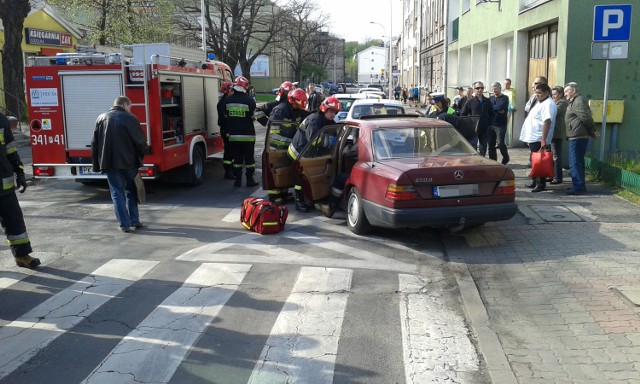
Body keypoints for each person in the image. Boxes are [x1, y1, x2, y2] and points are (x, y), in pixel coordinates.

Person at [92, 96, 147, 232]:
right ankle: (134, 220)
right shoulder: (130, 118)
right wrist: (141, 155)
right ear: (124, 105)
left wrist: (97, 164)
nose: (130, 109)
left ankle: (124, 224)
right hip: (129, 162)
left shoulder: (101, 118)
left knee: (116, 193)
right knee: (132, 190)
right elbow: (139, 141)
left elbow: (95, 144)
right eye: (130, 106)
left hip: (109, 163)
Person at [0, 112, 40, 268]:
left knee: (15, 221)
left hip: (4, 184)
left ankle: (22, 255)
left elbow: (10, 149)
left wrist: (20, 172)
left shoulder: (1, 120)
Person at [288, 96, 341, 212]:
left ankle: (309, 199)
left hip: (307, 151)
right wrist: (330, 142)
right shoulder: (314, 120)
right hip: (297, 152)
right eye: (331, 111)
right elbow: (313, 140)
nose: (333, 115)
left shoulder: (329, 121)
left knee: (308, 176)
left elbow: (335, 134)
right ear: (324, 109)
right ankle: (299, 202)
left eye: (335, 112)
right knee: (301, 179)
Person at [266, 88, 310, 204]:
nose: (298, 108)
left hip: (288, 146)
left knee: (286, 170)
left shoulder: (296, 110)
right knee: (275, 171)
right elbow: (273, 132)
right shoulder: (280, 110)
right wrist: (290, 141)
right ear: (292, 101)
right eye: (297, 105)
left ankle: (284, 193)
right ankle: (274, 196)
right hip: (276, 147)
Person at [519, 83, 557, 193]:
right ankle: (535, 181)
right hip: (534, 137)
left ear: (547, 93)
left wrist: (543, 140)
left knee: (540, 161)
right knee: (535, 161)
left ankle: (541, 184)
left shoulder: (548, 104)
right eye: (536, 92)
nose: (537, 95)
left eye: (539, 93)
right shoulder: (540, 102)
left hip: (539, 138)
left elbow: (547, 121)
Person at [564, 82, 599, 195]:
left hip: (578, 136)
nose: (565, 94)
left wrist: (593, 130)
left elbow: (585, 117)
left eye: (566, 91)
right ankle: (578, 185)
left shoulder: (578, 101)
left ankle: (578, 187)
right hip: (576, 135)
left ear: (573, 91)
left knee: (575, 162)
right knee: (577, 162)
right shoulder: (574, 101)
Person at [223, 76, 258, 187]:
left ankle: (237, 180)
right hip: (248, 136)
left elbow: (226, 116)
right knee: (249, 160)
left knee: (237, 159)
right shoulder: (250, 101)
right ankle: (249, 180)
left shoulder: (227, 100)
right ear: (245, 87)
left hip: (233, 136)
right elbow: (253, 116)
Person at [461, 81, 494, 155]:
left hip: (484, 128)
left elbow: (492, 114)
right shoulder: (470, 101)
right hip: (473, 130)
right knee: (473, 148)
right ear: (474, 89)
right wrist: (468, 124)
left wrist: (490, 124)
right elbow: (463, 114)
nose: (480, 89)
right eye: (478, 88)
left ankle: (481, 163)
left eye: (482, 88)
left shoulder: (487, 101)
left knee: (483, 148)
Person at [489, 82, 510, 164]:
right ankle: (493, 162)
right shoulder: (490, 98)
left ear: (500, 88)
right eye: (493, 89)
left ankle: (506, 157)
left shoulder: (505, 98)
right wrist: (497, 110)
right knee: (491, 144)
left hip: (500, 124)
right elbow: (491, 108)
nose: (494, 90)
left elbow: (500, 107)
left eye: (495, 88)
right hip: (490, 124)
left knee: (500, 143)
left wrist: (494, 108)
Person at [550, 86, 568, 184]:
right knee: (552, 155)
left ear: (561, 94)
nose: (553, 96)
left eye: (555, 94)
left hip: (557, 132)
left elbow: (553, 112)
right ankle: (552, 175)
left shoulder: (562, 103)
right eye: (552, 94)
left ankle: (557, 177)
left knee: (556, 156)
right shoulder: (555, 102)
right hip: (552, 132)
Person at [217, 81, 235, 180]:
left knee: (230, 150)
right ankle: (228, 172)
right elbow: (225, 119)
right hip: (227, 130)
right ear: (228, 91)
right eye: (232, 90)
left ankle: (230, 170)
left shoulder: (223, 101)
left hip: (226, 129)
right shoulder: (225, 102)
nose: (233, 91)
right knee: (229, 151)